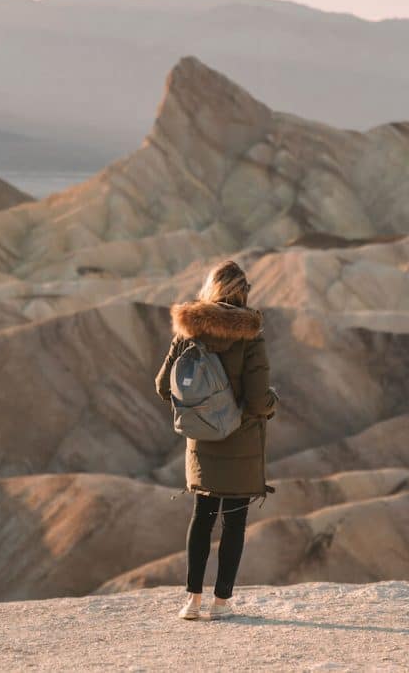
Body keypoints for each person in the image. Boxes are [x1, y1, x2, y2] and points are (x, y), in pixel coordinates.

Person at [154, 259, 279, 621]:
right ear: (243, 293)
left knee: (202, 518)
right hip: (240, 443)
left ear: (211, 288)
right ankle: (220, 603)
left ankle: (192, 601)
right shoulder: (251, 336)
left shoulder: (188, 332)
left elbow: (164, 386)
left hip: (202, 442)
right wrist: (273, 403)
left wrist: (199, 406)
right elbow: (257, 401)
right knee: (234, 523)